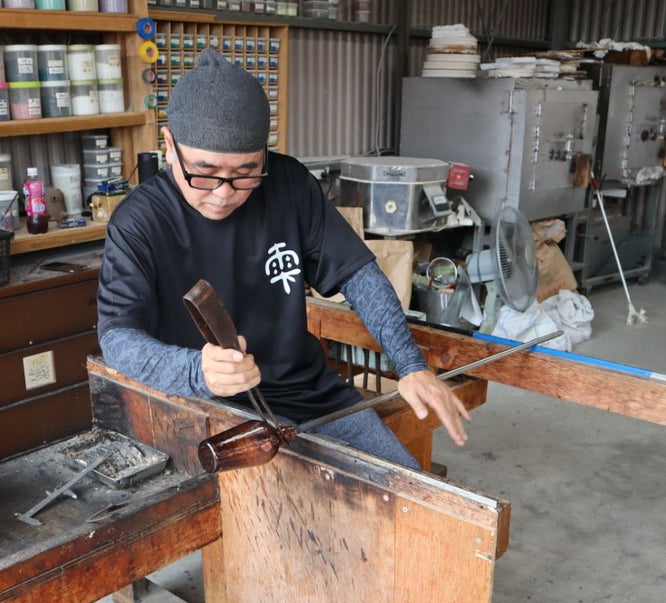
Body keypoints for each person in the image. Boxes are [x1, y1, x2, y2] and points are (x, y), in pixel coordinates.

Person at [96, 48, 469, 469]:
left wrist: (411, 365)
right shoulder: (139, 221)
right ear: (169, 146)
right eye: (205, 172)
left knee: (404, 490)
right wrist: (196, 372)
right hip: (203, 407)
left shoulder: (290, 184)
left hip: (307, 395)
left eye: (245, 173)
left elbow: (359, 275)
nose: (223, 193)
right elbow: (118, 339)